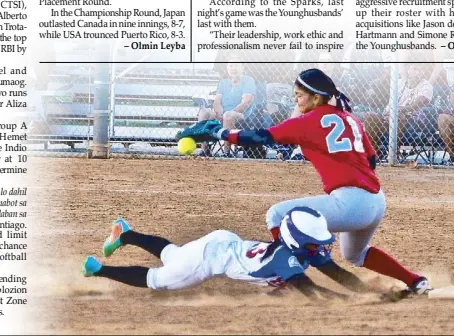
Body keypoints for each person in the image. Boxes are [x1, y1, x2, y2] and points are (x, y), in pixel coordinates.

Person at [179, 68, 431, 296]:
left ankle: (287, 276)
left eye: (299, 95)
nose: (296, 100)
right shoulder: (351, 119)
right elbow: (372, 161)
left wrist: (219, 132)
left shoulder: (309, 121)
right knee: (356, 255)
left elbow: (260, 137)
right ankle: (416, 281)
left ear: (316, 98)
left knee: (277, 214)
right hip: (376, 201)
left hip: (350, 202)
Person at [82, 208, 355, 299]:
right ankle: (98, 270)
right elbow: (314, 292)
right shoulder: (288, 257)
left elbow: (338, 274)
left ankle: (126, 234)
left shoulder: (300, 250)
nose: (321, 249)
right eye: (314, 244)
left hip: (223, 242)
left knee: (174, 254)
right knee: (159, 279)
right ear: (297, 242)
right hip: (210, 259)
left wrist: (376, 293)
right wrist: (353, 303)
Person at [198, 55, 258, 157]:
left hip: (241, 116)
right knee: (204, 112)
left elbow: (246, 102)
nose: (233, 68)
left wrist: (228, 113)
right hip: (222, 114)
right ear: (227, 68)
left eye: (236, 66)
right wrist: (219, 112)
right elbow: (217, 102)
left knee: (228, 115)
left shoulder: (248, 80)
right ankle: (205, 150)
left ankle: (227, 152)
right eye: (230, 66)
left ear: (243, 68)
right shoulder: (223, 82)